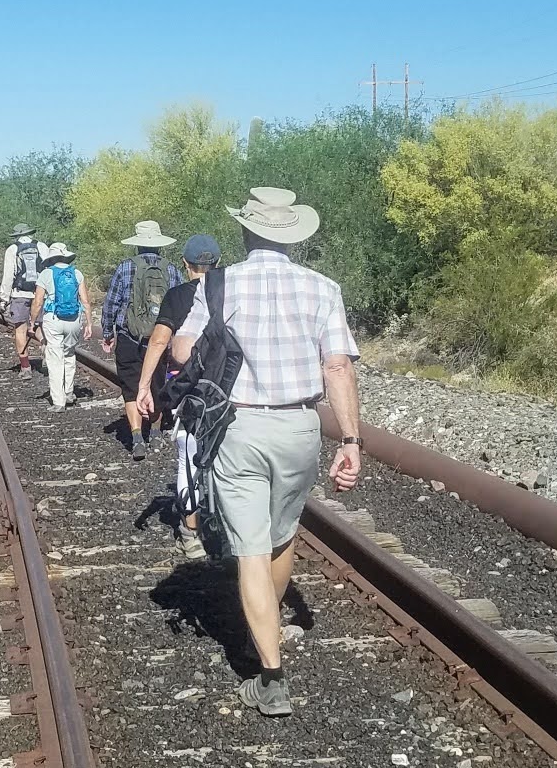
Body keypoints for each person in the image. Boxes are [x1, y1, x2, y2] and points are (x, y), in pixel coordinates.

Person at [175, 188, 363, 718]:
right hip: (301, 426)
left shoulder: (218, 283)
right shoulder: (323, 287)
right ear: (293, 236)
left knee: (251, 550)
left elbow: (184, 350)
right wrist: (350, 441)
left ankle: (271, 677)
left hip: (238, 426)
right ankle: (268, 624)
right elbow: (337, 368)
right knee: (282, 538)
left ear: (246, 232)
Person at [135, 233, 221, 559]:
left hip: (189, 390)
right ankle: (223, 532)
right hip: (227, 391)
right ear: (217, 264)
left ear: (186, 265)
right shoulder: (230, 291)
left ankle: (190, 533)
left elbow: (159, 342)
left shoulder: (179, 295)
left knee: (189, 456)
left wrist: (145, 387)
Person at [100, 220, 181, 460]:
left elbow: (111, 304)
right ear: (159, 245)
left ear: (136, 245)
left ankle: (137, 437)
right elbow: (178, 307)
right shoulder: (172, 270)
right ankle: (155, 433)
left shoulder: (125, 268)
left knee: (131, 388)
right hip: (159, 338)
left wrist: (107, 333)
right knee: (156, 385)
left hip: (129, 337)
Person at [30, 242, 93, 410]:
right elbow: (85, 300)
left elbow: (37, 302)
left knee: (55, 357)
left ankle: (59, 401)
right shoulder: (77, 273)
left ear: (51, 258)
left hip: (54, 319)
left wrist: (33, 322)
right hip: (74, 319)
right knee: (69, 354)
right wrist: (89, 323)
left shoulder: (46, 274)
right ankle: (69, 392)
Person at [0, 224, 49, 380]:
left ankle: (25, 367)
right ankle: (45, 347)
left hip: (19, 294)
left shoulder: (12, 250)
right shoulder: (41, 246)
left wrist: (4, 299)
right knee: (40, 325)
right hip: (40, 294)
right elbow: (47, 271)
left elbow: (8, 276)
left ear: (16, 236)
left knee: (20, 330)